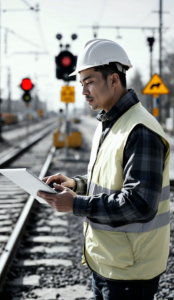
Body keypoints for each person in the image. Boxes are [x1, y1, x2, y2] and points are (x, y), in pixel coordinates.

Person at [37, 39, 170, 300]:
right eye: (81, 83)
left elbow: (140, 203)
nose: (84, 91)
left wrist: (76, 204)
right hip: (108, 264)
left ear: (113, 80)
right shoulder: (108, 122)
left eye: (90, 82)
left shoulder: (139, 130)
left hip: (130, 273)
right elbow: (108, 180)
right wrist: (75, 185)